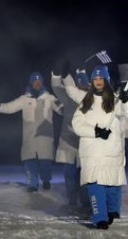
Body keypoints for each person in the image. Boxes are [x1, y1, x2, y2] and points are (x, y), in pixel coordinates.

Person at [64, 64, 128, 230]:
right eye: (95, 78)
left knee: (111, 184)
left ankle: (111, 211)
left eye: (101, 78)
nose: (98, 81)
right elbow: (77, 124)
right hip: (92, 153)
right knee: (95, 186)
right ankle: (100, 218)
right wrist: (95, 132)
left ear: (106, 80)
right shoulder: (86, 101)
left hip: (111, 151)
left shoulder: (116, 100)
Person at [0, 71, 63, 192]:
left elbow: (61, 110)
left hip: (45, 138)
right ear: (31, 83)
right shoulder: (24, 99)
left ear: (42, 83)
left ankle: (46, 179)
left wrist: (66, 106)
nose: (37, 83)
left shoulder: (50, 98)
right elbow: (10, 107)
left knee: (45, 162)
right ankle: (32, 184)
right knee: (30, 162)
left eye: (39, 81)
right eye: (35, 81)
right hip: (29, 137)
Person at [50, 63, 90, 209]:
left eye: (83, 86)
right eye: (78, 86)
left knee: (85, 174)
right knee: (69, 172)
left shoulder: (92, 99)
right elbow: (57, 87)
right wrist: (57, 75)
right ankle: (72, 200)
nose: (80, 88)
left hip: (85, 142)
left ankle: (85, 201)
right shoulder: (68, 98)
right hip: (68, 141)